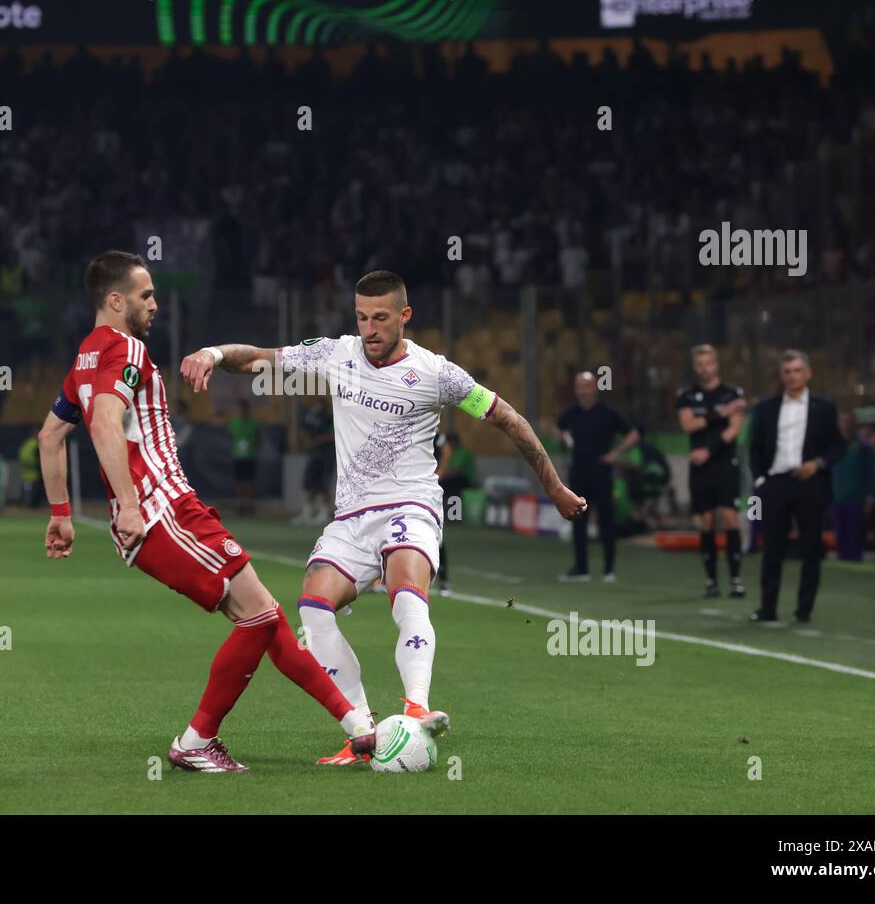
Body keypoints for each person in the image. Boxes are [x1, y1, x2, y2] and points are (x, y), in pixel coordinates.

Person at [182, 269, 585, 765]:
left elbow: (509, 419)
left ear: (404, 316)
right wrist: (215, 354)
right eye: (361, 317)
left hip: (410, 504)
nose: (369, 328)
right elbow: (261, 360)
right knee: (312, 606)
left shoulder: (437, 372)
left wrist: (554, 486)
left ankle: (417, 706)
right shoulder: (337, 354)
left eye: (379, 318)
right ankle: (364, 730)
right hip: (351, 516)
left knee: (404, 587)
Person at [39, 250, 375, 773]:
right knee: (260, 616)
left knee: (264, 614)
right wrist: (129, 506)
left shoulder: (86, 354)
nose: (155, 304)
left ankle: (359, 728)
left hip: (167, 509)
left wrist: (62, 512)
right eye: (145, 295)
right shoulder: (125, 348)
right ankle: (196, 742)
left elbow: (50, 435)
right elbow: (105, 424)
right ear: (114, 300)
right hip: (161, 510)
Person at [746, 350, 845, 624]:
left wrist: (819, 463)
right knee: (772, 549)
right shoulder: (765, 408)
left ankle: (804, 610)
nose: (792, 376)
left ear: (808, 373)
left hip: (810, 484)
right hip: (775, 484)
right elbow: (754, 448)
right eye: (787, 371)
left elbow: (838, 445)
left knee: (811, 548)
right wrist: (760, 481)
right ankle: (768, 607)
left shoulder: (824, 407)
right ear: (781, 376)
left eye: (797, 370)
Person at [675, 344, 747, 597]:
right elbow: (688, 425)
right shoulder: (686, 395)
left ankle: (736, 579)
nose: (705, 368)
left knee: (729, 517)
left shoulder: (732, 393)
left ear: (716, 364)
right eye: (700, 364)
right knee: (705, 520)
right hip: (699, 468)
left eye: (708, 363)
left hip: (724, 463)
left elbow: (734, 429)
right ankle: (711, 581)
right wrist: (719, 413)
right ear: (695, 367)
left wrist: (708, 450)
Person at [556, 372, 639, 583]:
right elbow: (557, 429)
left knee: (606, 521)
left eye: (587, 386)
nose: (583, 390)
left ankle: (608, 569)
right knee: (579, 523)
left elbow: (633, 434)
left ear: (595, 388)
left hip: (601, 475)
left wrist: (616, 454)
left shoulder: (608, 413)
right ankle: (581, 568)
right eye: (579, 386)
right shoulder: (571, 414)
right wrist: (565, 440)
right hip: (578, 475)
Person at [434, 430, 476, 595]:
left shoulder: (432, 428)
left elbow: (446, 449)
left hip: (428, 489)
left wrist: (440, 473)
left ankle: (443, 581)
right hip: (405, 488)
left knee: (436, 535)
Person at [830, 413, 875, 560]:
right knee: (839, 533)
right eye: (843, 421)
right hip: (837, 496)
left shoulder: (863, 446)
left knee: (855, 533)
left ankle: (855, 558)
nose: (846, 424)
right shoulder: (833, 444)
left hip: (856, 498)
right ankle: (842, 558)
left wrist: (869, 496)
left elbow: (870, 472)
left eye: (849, 421)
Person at [293, 396, 334, 525]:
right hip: (314, 455)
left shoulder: (329, 419)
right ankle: (307, 512)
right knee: (309, 483)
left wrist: (316, 440)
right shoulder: (312, 419)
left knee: (323, 485)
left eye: (320, 405)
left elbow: (332, 435)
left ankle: (324, 512)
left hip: (326, 455)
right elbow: (305, 431)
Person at [227, 400, 259, 516]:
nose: (242, 411)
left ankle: (249, 505)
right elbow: (231, 437)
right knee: (239, 483)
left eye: (244, 409)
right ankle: (240, 505)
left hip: (250, 457)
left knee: (249, 483)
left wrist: (253, 448)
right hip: (238, 457)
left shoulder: (254, 424)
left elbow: (258, 438)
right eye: (241, 409)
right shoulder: (234, 424)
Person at [18, 427, 42, 508]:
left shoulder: (26, 444)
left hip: (25, 472)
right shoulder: (35, 444)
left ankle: (26, 504)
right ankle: (31, 505)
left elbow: (21, 456)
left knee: (26, 489)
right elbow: (37, 457)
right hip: (33, 472)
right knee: (32, 490)